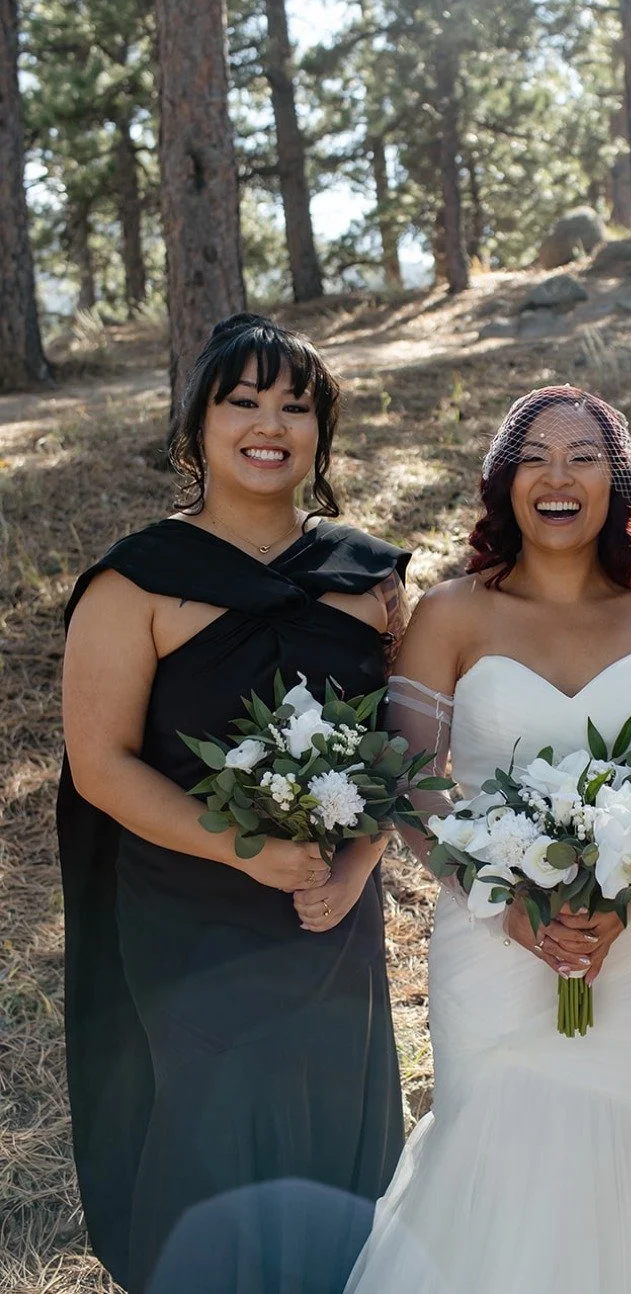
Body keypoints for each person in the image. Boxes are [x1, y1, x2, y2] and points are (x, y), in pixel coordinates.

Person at [344, 386, 631, 1294]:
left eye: (584, 457)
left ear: (619, 482)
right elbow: (408, 787)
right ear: (502, 483)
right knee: (495, 1162)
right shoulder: (452, 616)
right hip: (490, 947)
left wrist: (626, 900)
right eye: (534, 458)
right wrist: (509, 906)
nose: (558, 477)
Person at [59, 313, 408, 1293]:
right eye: (243, 401)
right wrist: (243, 852)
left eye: (296, 406)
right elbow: (102, 764)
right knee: (211, 1140)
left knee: (333, 1128)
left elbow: (398, 746)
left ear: (321, 434)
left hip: (330, 915)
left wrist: (358, 866)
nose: (270, 424)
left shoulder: (370, 577)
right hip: (187, 914)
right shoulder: (137, 583)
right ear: (198, 425)